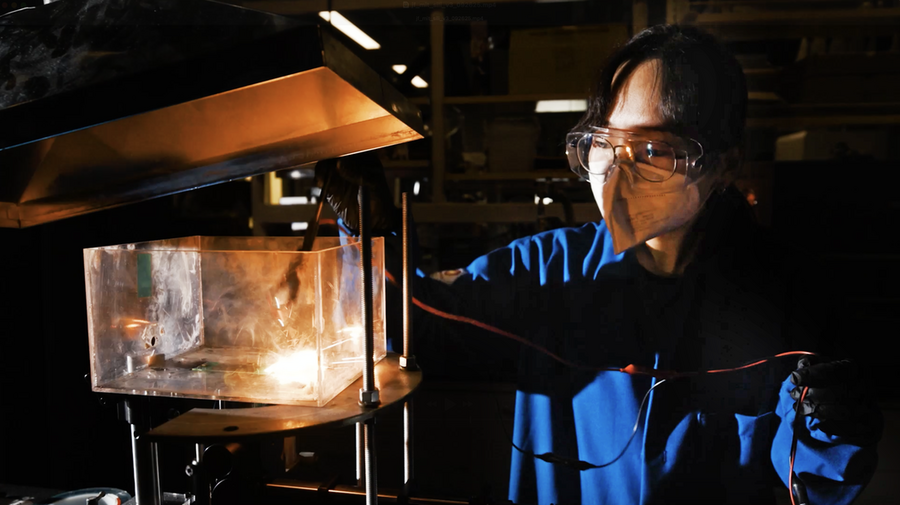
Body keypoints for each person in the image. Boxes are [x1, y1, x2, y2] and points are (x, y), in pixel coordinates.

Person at [313, 24, 882, 505]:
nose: (616, 171)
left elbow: (813, 484)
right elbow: (407, 323)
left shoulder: (788, 295)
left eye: (654, 151)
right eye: (604, 145)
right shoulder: (550, 271)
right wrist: (365, 233)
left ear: (723, 165)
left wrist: (835, 421)